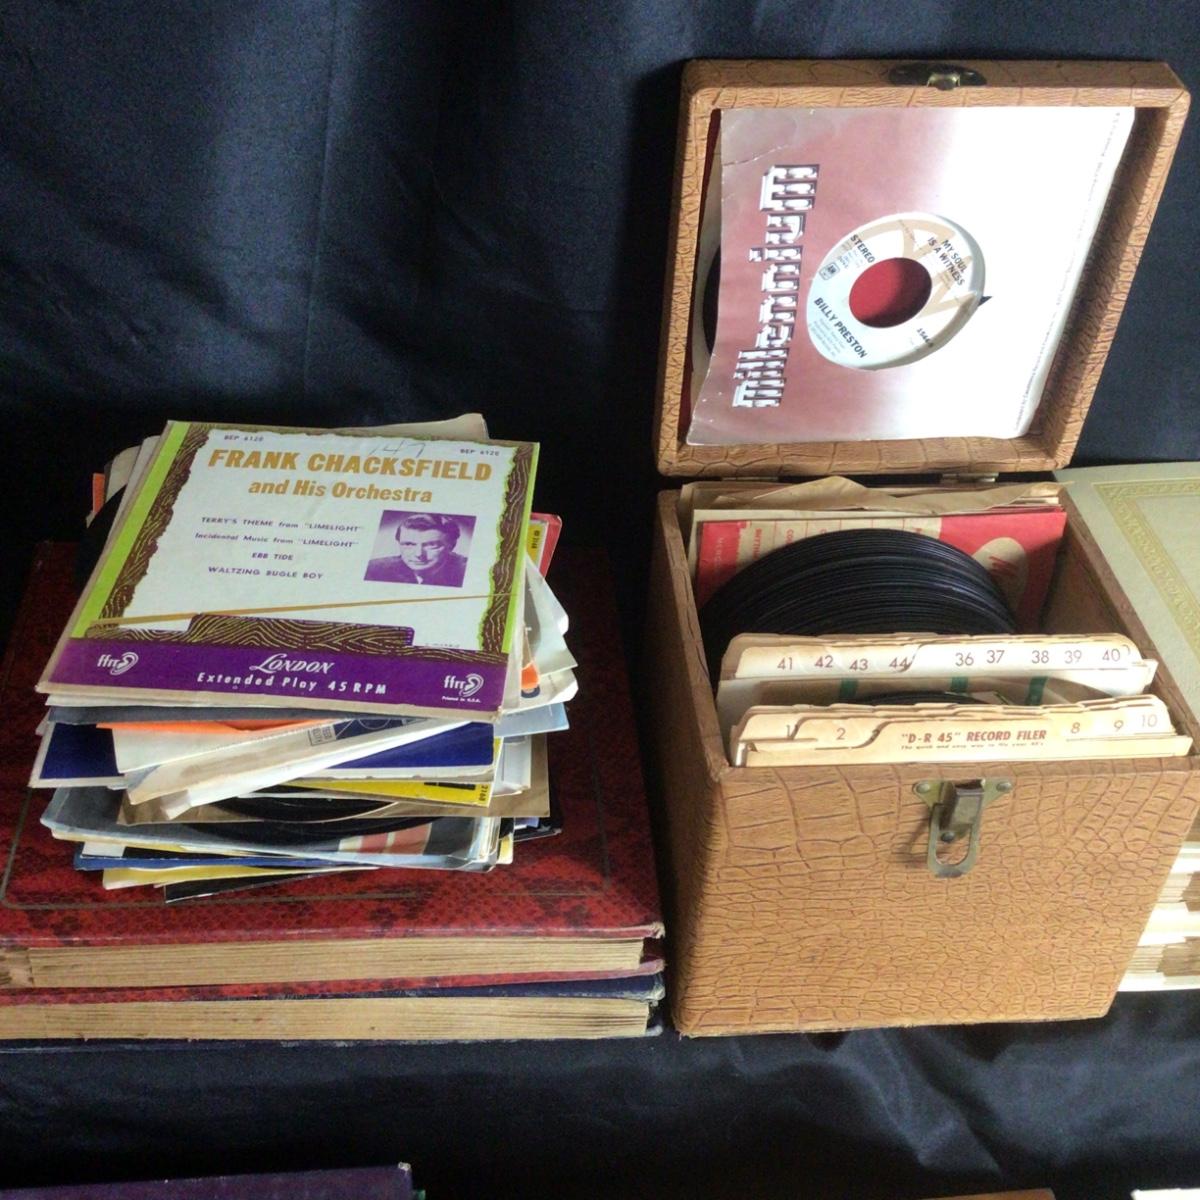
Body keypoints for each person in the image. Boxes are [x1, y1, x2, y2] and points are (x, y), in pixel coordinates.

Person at [366, 513, 468, 586]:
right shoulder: (374, 570)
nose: (418, 554)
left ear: (451, 545)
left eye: (431, 545)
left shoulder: (467, 572)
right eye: (409, 544)